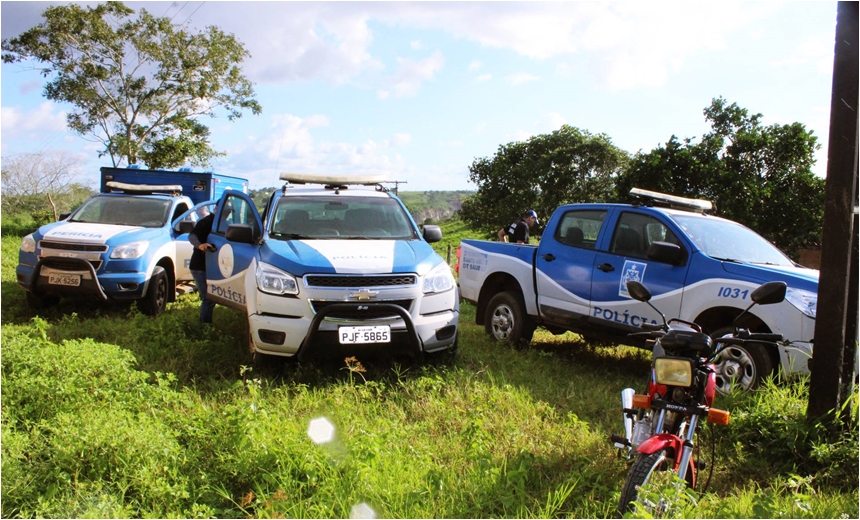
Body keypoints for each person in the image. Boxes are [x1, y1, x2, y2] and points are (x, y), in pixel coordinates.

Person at [188, 207, 216, 324]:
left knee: (211, 298)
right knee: (208, 298)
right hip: (199, 266)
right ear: (217, 208)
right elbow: (192, 236)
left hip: (210, 266)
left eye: (229, 210)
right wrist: (200, 245)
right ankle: (205, 327)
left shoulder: (222, 223)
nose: (228, 212)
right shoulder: (207, 221)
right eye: (226, 210)